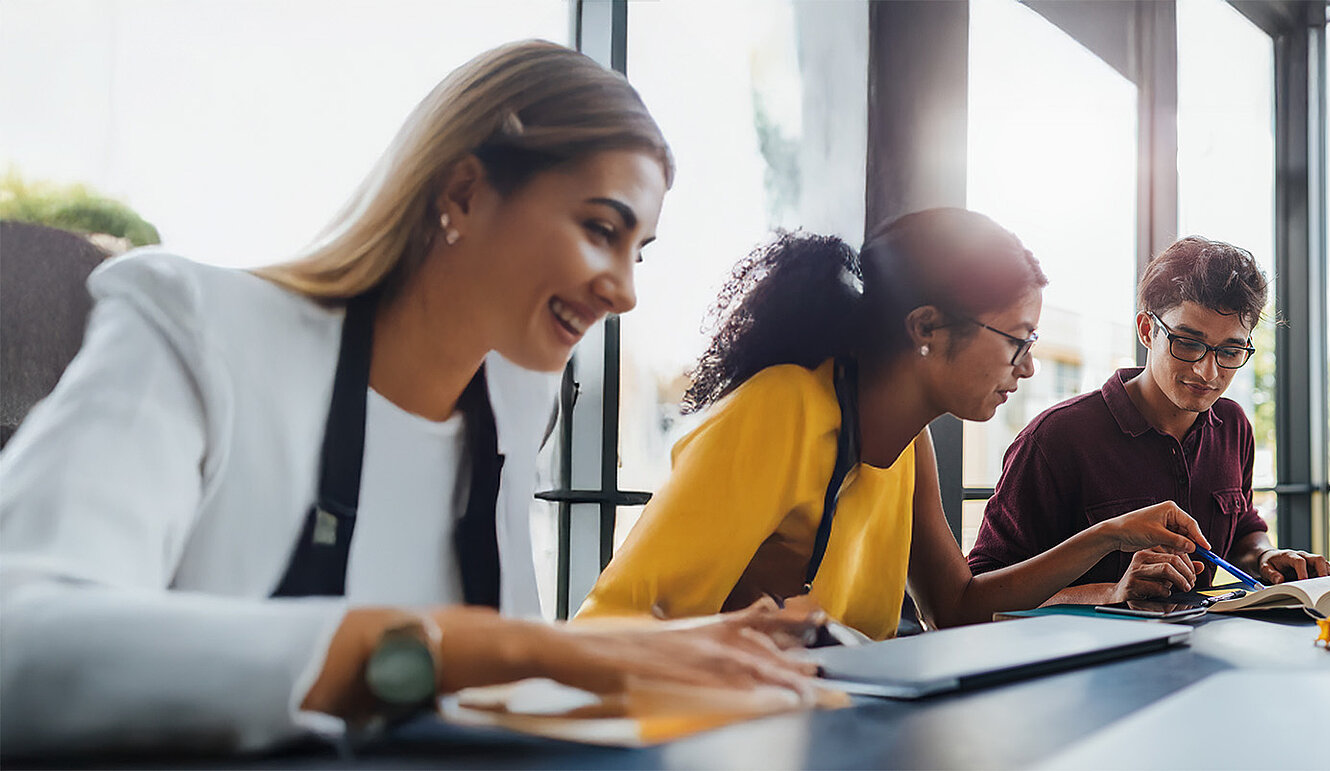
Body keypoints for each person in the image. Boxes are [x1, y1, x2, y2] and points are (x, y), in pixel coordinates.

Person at [0, 41, 823, 758]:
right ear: (462, 193)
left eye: (638, 251)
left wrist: (671, 653)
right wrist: (475, 647)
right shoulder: (192, 325)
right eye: (601, 230)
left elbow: (493, 691)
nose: (625, 291)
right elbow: (21, 643)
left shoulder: (513, 399)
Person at [575, 212, 1215, 639]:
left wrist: (1107, 535)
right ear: (926, 328)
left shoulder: (911, 444)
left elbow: (955, 609)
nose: (1027, 366)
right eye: (1016, 341)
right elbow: (617, 626)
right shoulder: (781, 409)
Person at [965, 236, 1328, 604]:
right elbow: (982, 593)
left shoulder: (1233, 425)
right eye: (1188, 343)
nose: (1207, 372)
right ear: (1146, 330)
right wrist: (1110, 592)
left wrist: (1264, 556)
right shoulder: (1055, 438)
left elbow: (1243, 529)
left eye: (1231, 351)